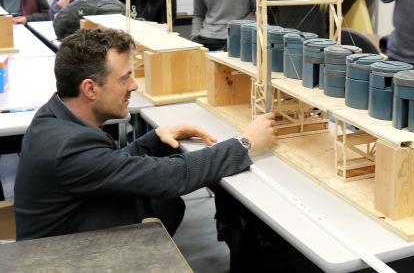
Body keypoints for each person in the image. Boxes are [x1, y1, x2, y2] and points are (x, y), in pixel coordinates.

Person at [14, 28, 276, 240]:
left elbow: (104, 167)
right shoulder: (69, 147)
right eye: (125, 78)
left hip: (70, 235)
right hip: (62, 259)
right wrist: (245, 142)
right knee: (164, 199)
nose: (134, 85)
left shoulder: (54, 115)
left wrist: (153, 140)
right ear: (90, 89)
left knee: (165, 205)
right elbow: (171, 176)